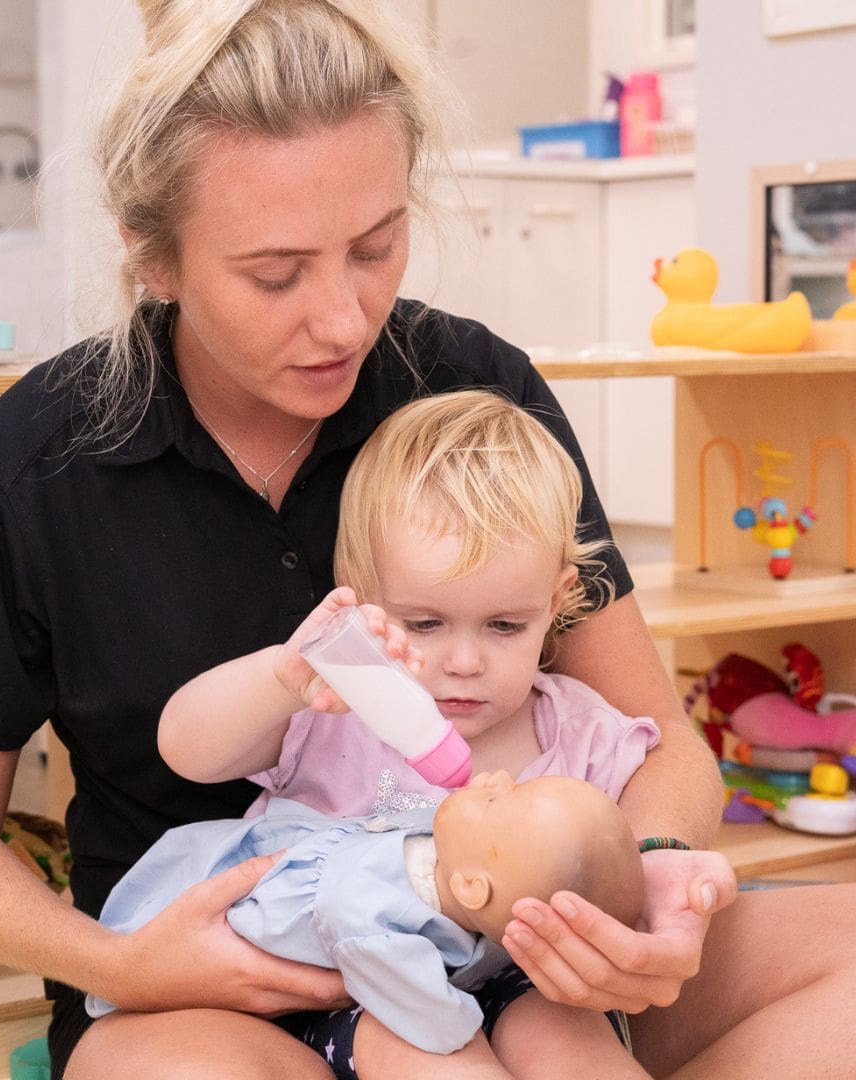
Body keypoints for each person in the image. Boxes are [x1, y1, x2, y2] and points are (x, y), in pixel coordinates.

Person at [0, 1, 856, 1078]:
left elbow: (659, 736)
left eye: (375, 247)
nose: (343, 318)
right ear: (154, 258)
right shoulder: (36, 465)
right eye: (275, 274)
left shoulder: (478, 392)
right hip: (215, 994)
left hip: (521, 960)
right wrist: (124, 961)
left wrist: (652, 881)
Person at [147, 388, 663, 1077]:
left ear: (558, 600)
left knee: (568, 1039)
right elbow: (185, 748)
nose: (464, 662)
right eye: (424, 624)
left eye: (504, 625)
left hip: (518, 977)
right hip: (346, 986)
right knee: (427, 1054)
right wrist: (281, 677)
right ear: (362, 596)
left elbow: (638, 854)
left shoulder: (580, 733)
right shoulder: (337, 714)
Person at [86, 774, 649, 1079]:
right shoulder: (371, 906)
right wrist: (462, 1028)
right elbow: (428, 1017)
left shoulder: (435, 880)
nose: (497, 777)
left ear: (474, 889)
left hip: (391, 963)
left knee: (571, 1045)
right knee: (443, 1058)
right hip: (255, 970)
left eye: (501, 800)